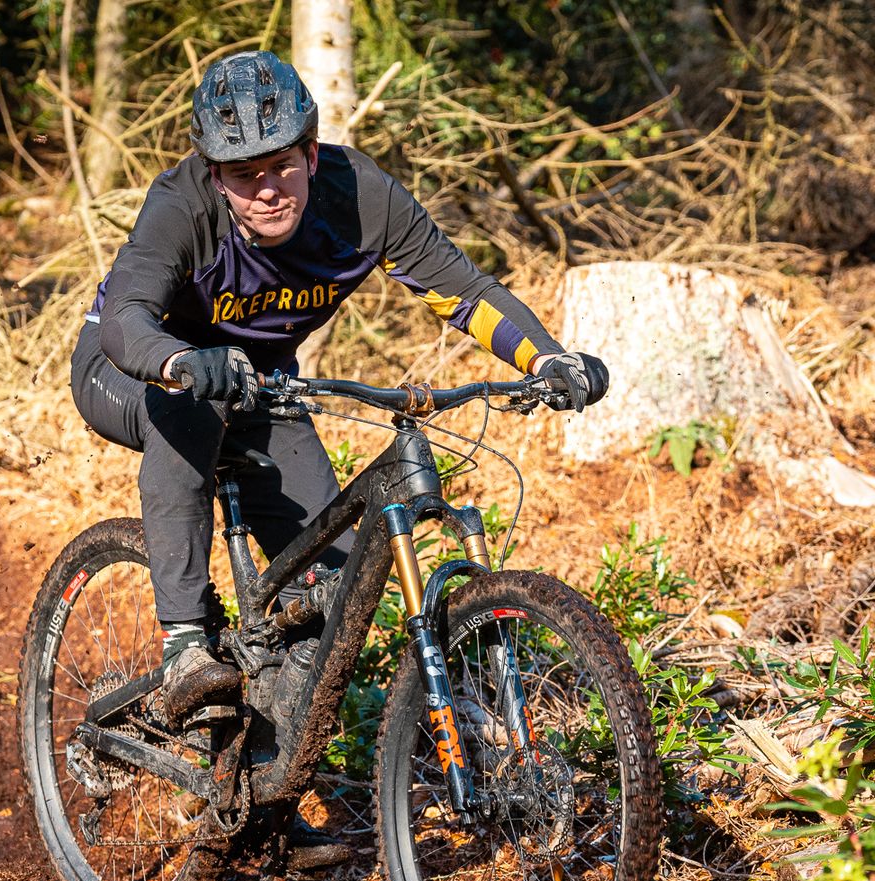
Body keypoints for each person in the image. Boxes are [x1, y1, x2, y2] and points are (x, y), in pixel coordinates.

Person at [71, 50, 608, 730]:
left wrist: (547, 359)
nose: (268, 190)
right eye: (244, 175)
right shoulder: (182, 205)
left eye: (282, 166)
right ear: (215, 176)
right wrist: (180, 361)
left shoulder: (362, 198)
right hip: (131, 371)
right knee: (196, 408)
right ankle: (184, 645)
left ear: (312, 153)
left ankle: (270, 747)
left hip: (259, 386)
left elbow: (466, 294)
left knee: (336, 584)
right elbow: (126, 319)